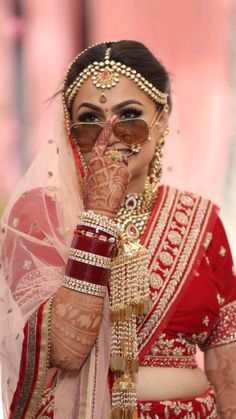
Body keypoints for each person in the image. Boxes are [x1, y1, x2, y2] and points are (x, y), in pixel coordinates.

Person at [0, 40, 236, 419]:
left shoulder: (201, 220)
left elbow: (227, 366)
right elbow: (66, 352)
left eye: (130, 116)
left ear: (161, 121)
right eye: (89, 120)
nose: (109, 135)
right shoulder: (39, 215)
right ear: (70, 131)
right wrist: (98, 214)